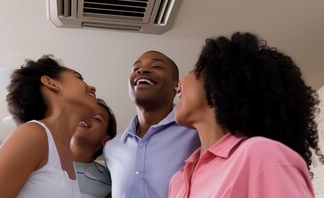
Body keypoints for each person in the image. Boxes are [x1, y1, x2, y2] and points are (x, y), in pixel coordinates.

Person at [169, 32, 324, 197]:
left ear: (216, 84)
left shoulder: (261, 155)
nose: (179, 84)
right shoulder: (177, 181)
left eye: (193, 70)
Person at [0, 55, 98, 198]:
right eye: (78, 78)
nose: (92, 87)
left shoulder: (69, 157)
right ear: (51, 83)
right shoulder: (34, 133)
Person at [103, 50, 201, 198]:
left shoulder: (197, 133)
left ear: (177, 87)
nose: (142, 70)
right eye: (136, 68)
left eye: (157, 66)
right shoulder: (111, 148)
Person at [71, 98, 117, 198]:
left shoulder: (109, 180)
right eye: (83, 113)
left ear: (105, 140)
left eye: (97, 118)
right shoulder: (40, 159)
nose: (86, 117)